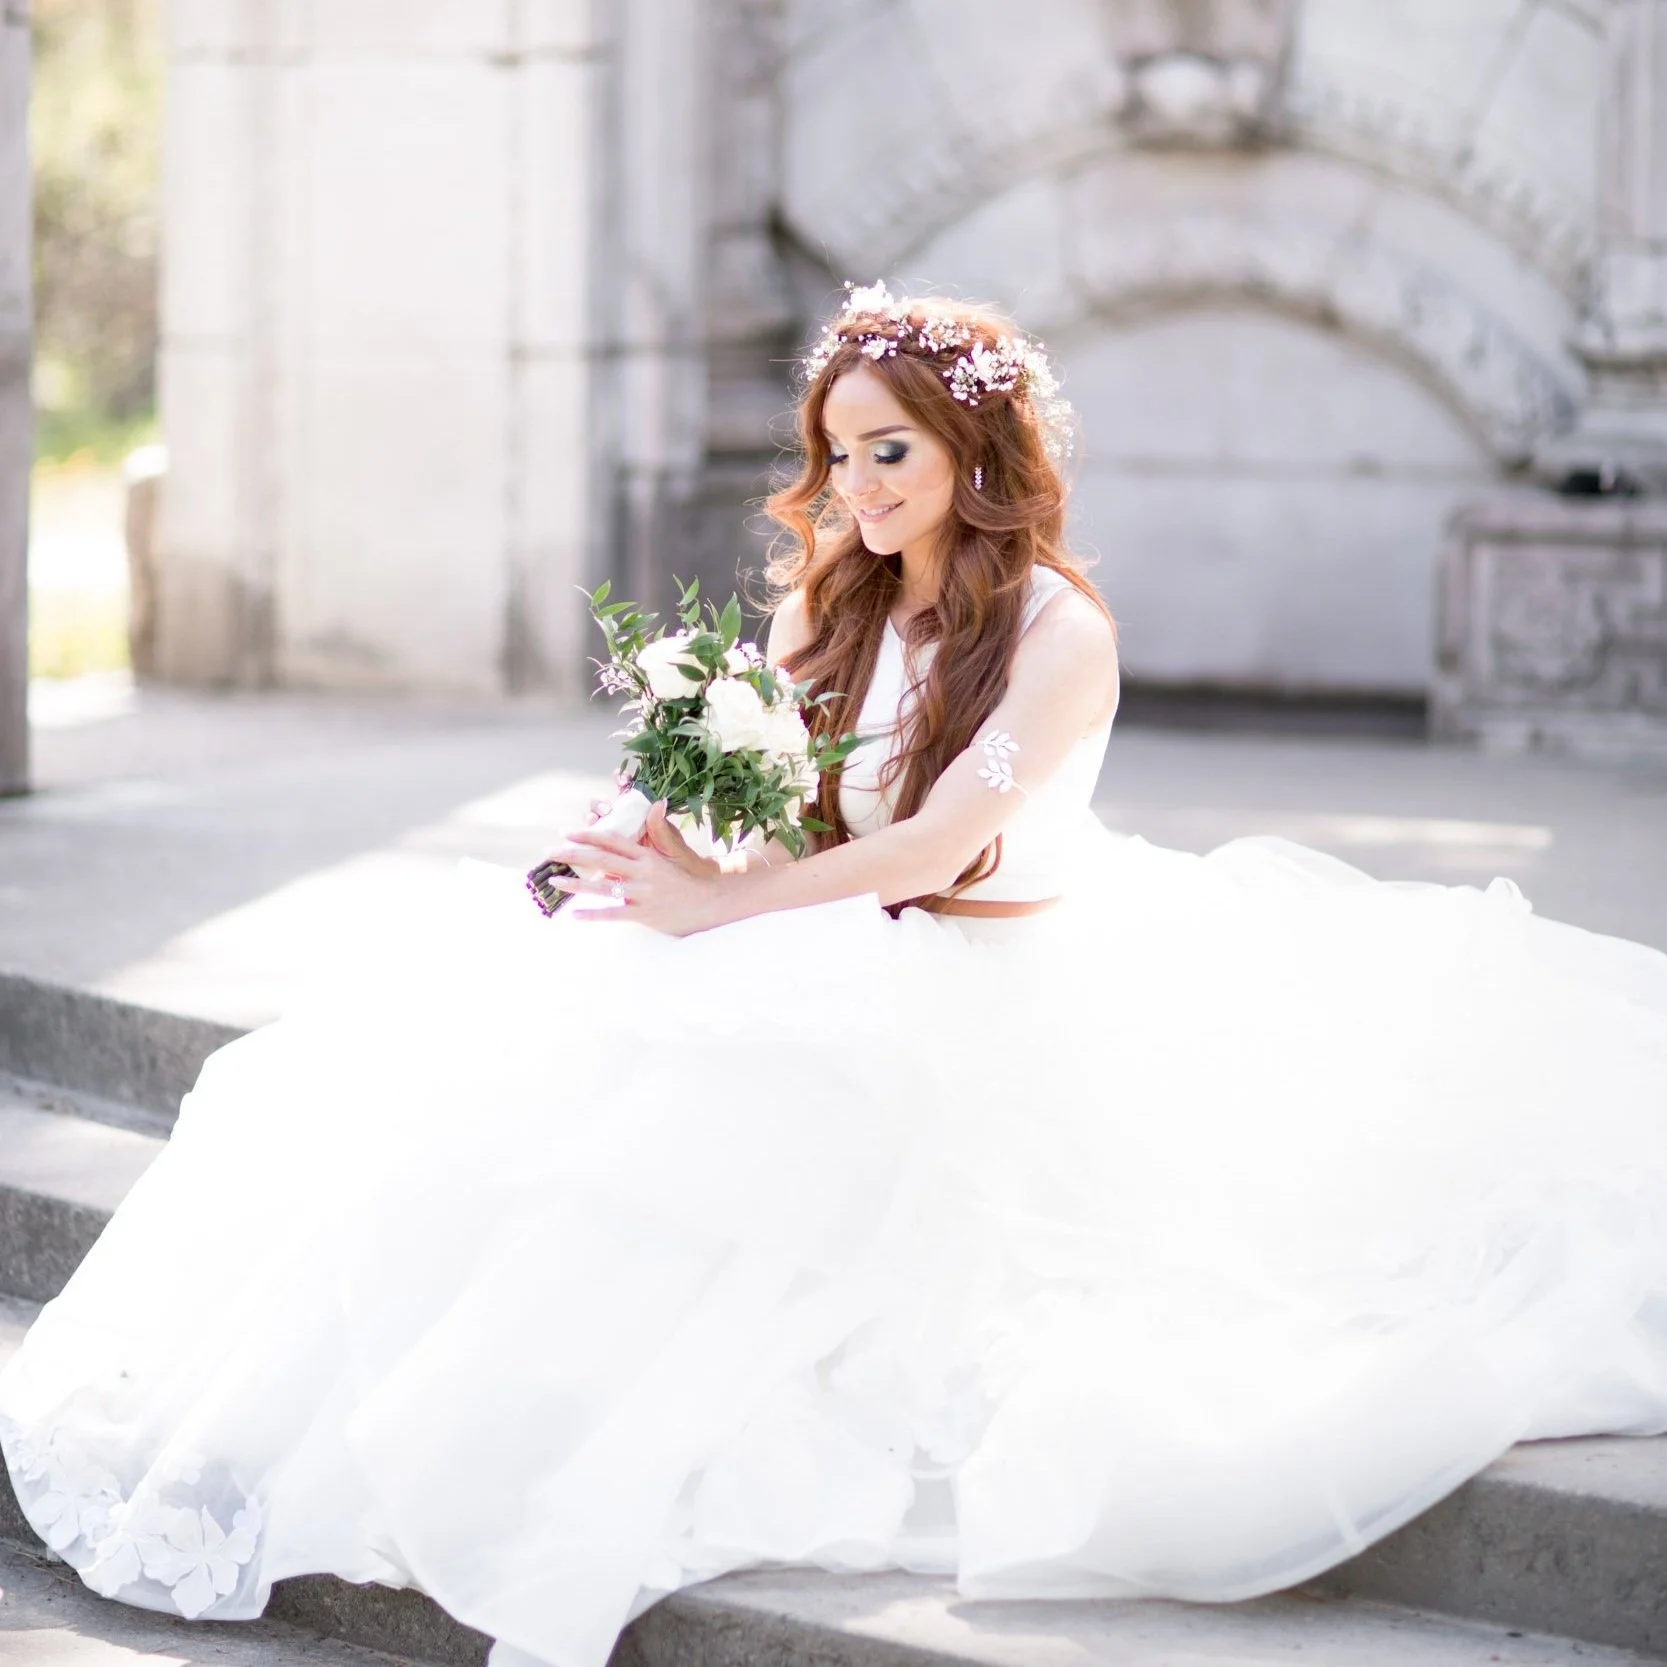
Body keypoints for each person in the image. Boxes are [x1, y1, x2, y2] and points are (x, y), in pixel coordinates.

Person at [4, 286, 1667, 1667]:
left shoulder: (1058, 633)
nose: (858, 483)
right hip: (827, 935)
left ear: (971, 450)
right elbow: (744, 755)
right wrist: (638, 834)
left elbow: (936, 849)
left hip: (982, 972)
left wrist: (720, 914)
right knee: (494, 1028)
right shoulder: (837, 596)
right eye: (836, 453)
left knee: (746, 1089)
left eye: (890, 449)